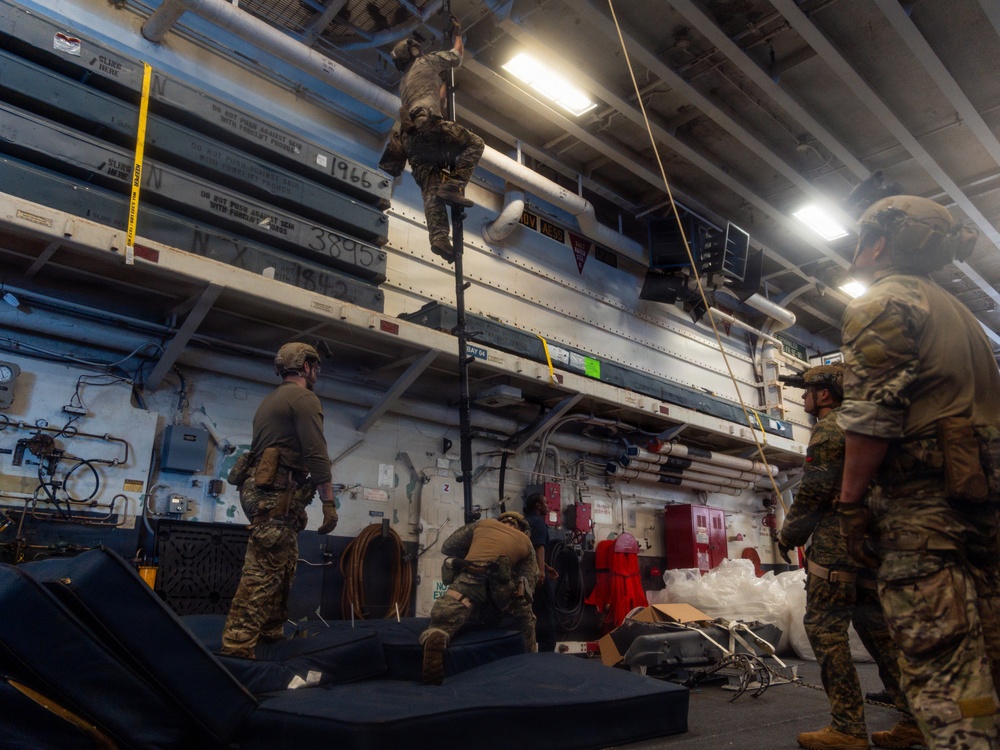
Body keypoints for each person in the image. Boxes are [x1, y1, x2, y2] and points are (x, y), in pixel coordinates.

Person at [836, 195, 1000, 749]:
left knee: (942, 668)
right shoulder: (962, 314)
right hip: (981, 509)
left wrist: (851, 505)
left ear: (878, 242)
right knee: (986, 664)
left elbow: (871, 421)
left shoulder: (882, 302)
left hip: (923, 514)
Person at [777, 365, 918, 750]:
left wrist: (789, 534)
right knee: (881, 634)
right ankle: (915, 719)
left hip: (837, 548)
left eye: (808, 391)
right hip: (874, 546)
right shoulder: (874, 426)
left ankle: (848, 728)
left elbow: (815, 490)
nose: (803, 397)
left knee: (825, 630)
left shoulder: (830, 428)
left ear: (825, 395)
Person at [221, 342, 340, 658]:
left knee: (284, 563)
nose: (317, 372)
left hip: (263, 491)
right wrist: (329, 503)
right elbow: (316, 454)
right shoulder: (304, 398)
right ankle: (237, 645)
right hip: (273, 495)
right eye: (315, 366)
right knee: (262, 571)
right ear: (305, 367)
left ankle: (270, 631)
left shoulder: (271, 400)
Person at [391, 15, 485, 263]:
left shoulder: (404, 83)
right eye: (416, 48)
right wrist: (457, 34)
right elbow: (456, 56)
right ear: (412, 52)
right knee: (475, 143)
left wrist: (442, 87)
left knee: (430, 186)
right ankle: (453, 186)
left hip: (411, 138)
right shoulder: (425, 62)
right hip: (428, 126)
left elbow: (437, 100)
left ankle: (439, 237)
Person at [419, 511, 538, 684]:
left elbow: (448, 546)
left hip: (471, 573)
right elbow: (530, 579)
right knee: (524, 614)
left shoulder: (482, 525)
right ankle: (530, 661)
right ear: (521, 527)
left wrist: (471, 551)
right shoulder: (525, 541)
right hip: (501, 583)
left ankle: (437, 635)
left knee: (448, 613)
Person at [524, 494, 559, 652]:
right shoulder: (539, 522)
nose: (548, 505)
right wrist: (542, 572)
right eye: (545, 502)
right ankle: (547, 651)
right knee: (546, 612)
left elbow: (529, 551)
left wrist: (546, 566)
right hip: (537, 577)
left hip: (525, 576)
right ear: (538, 505)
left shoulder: (526, 522)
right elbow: (539, 547)